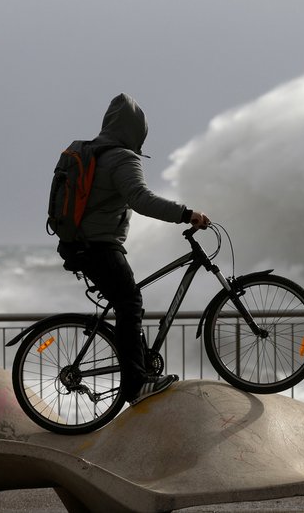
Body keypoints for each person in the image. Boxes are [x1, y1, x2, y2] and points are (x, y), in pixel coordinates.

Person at [58, 93, 211, 405]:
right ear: (137, 130)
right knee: (130, 303)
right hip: (99, 245)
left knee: (129, 305)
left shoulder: (95, 153)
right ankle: (136, 384)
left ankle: (139, 371)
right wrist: (186, 214)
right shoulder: (122, 157)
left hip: (79, 243)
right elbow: (140, 198)